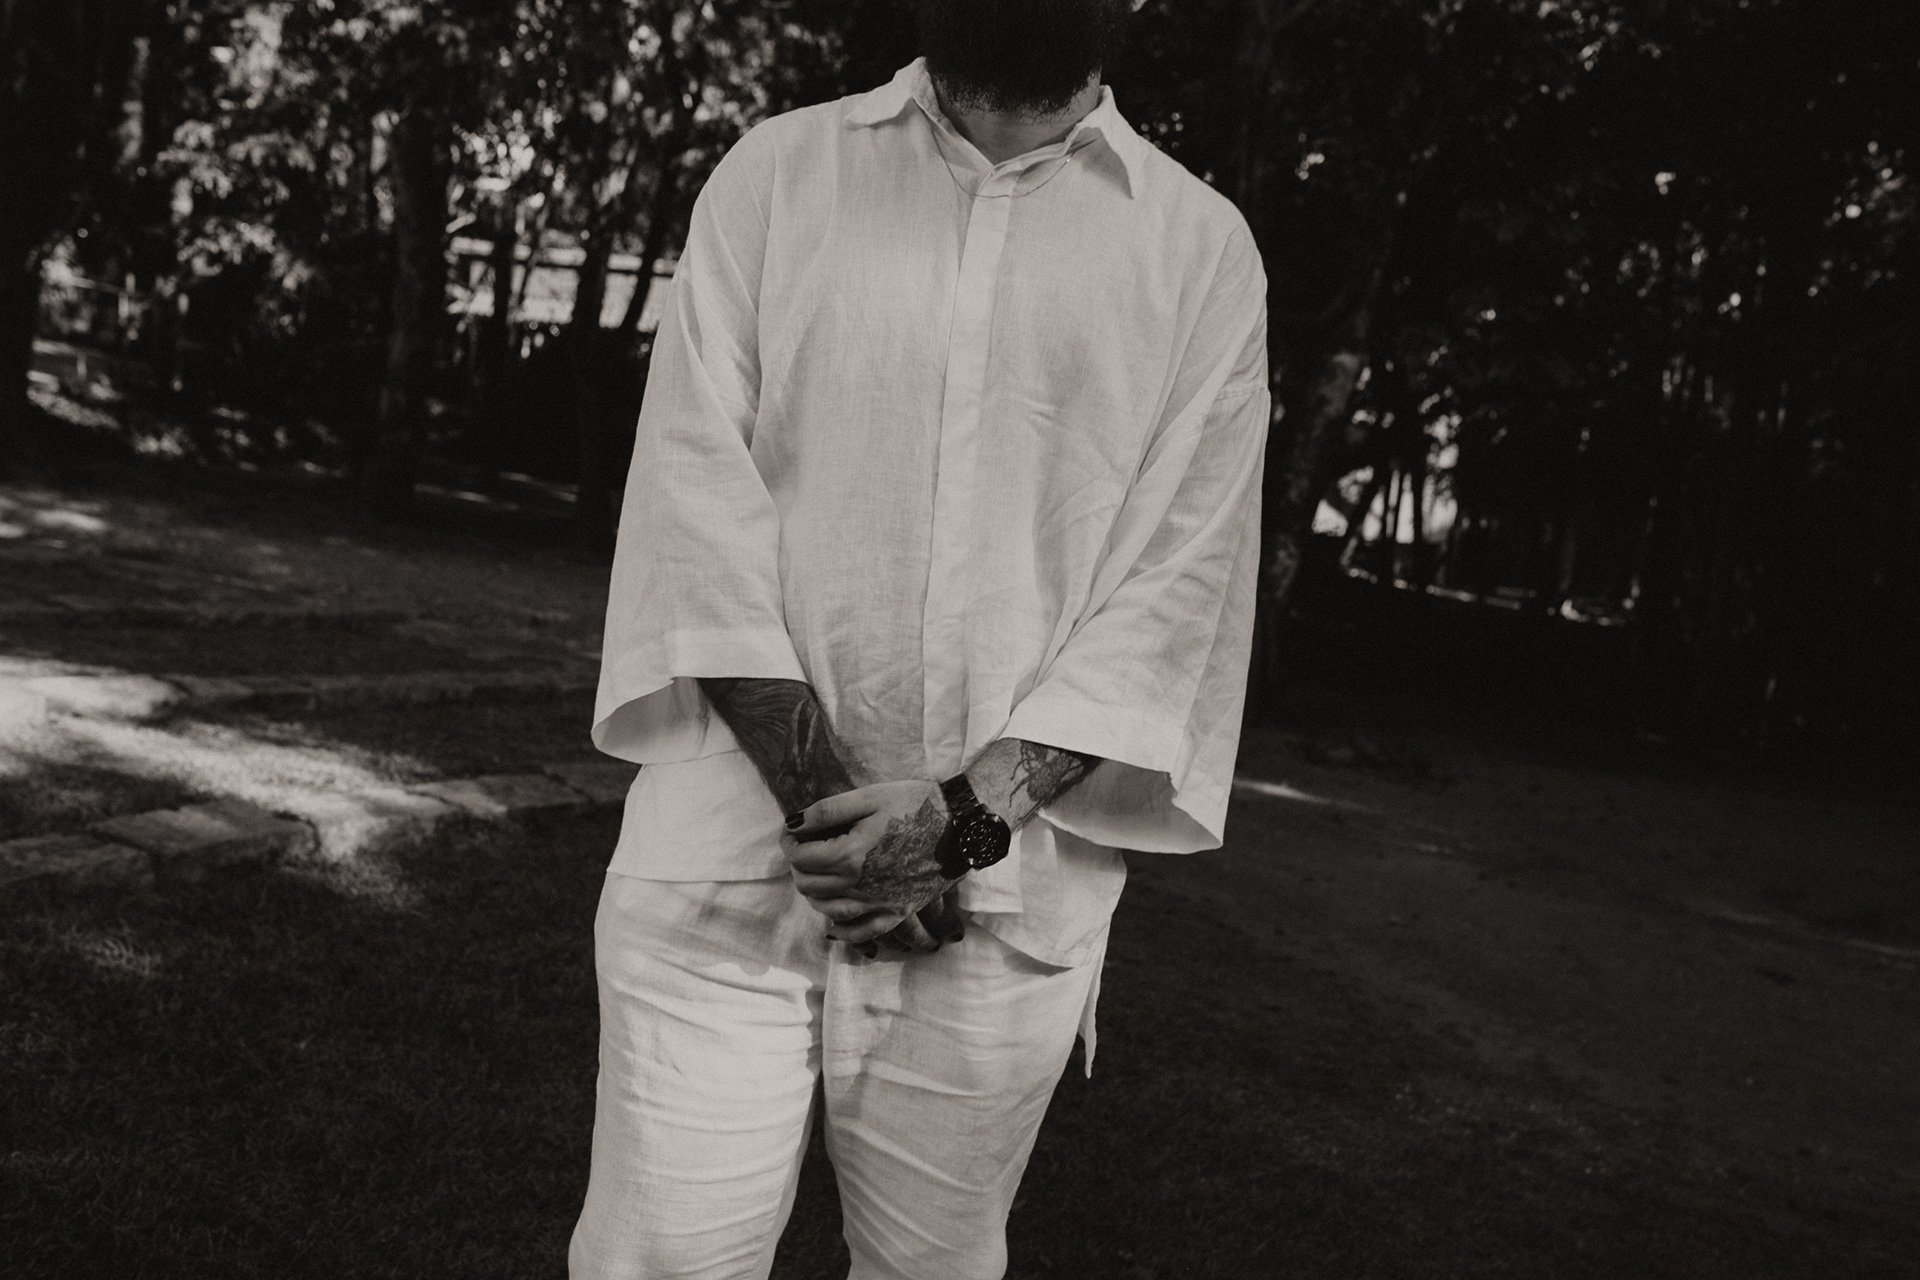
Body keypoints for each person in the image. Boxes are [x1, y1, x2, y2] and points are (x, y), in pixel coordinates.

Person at [570, 0, 1270, 1274]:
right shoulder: (778, 174)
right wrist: (840, 822)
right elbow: (692, 508)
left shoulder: (1201, 251)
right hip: (723, 864)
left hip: (998, 905)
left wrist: (956, 829)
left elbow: (1175, 593)